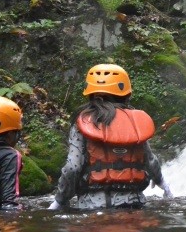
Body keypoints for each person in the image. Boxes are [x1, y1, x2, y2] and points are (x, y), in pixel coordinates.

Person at [49, 64, 172, 210]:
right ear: (126, 93)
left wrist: (60, 200)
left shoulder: (82, 123)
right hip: (135, 205)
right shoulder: (136, 122)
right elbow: (150, 161)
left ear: (90, 92)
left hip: (92, 207)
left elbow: (72, 168)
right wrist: (162, 183)